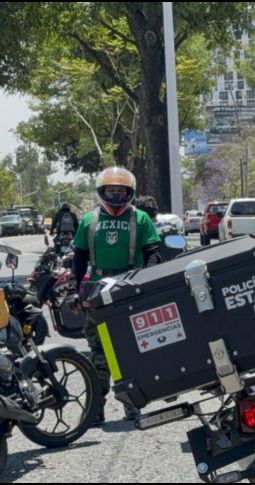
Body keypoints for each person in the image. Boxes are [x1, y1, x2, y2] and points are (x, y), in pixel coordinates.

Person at [71, 167, 162, 425]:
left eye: (121, 190)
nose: (116, 195)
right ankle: (95, 408)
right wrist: (74, 290)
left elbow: (153, 252)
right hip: (97, 291)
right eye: (111, 190)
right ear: (102, 191)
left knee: (128, 350)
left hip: (128, 288)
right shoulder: (89, 220)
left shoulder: (141, 218)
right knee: (98, 353)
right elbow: (79, 259)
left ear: (129, 192)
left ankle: (132, 404)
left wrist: (149, 279)